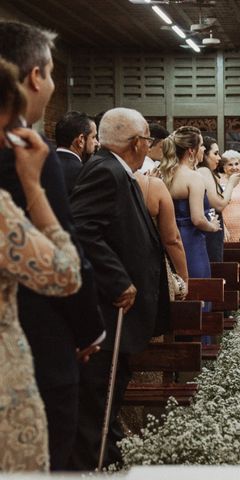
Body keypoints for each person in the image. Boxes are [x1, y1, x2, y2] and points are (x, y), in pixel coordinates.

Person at [0, 21, 104, 471]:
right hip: (37, 340)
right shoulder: (27, 151)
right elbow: (67, 262)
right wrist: (86, 329)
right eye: (53, 72)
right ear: (36, 77)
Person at [69, 108, 170, 470]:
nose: (148, 145)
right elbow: (81, 229)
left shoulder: (115, 170)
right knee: (99, 396)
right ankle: (96, 465)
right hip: (108, 309)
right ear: (135, 143)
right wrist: (118, 279)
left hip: (118, 314)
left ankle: (109, 459)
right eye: (147, 139)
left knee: (107, 398)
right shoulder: (105, 171)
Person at [156, 126, 220, 279]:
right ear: (191, 150)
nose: (203, 149)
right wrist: (213, 227)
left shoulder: (163, 175)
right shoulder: (194, 177)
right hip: (191, 241)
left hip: (167, 238)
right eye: (202, 145)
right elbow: (197, 219)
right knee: (198, 288)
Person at [196, 136, 240, 262]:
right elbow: (219, 205)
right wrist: (231, 184)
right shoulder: (204, 171)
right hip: (210, 228)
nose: (219, 158)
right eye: (215, 153)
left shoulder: (206, 172)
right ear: (205, 154)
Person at [54, 111, 98, 195]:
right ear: (81, 140)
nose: (97, 143)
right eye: (93, 137)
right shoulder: (84, 175)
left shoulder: (40, 165)